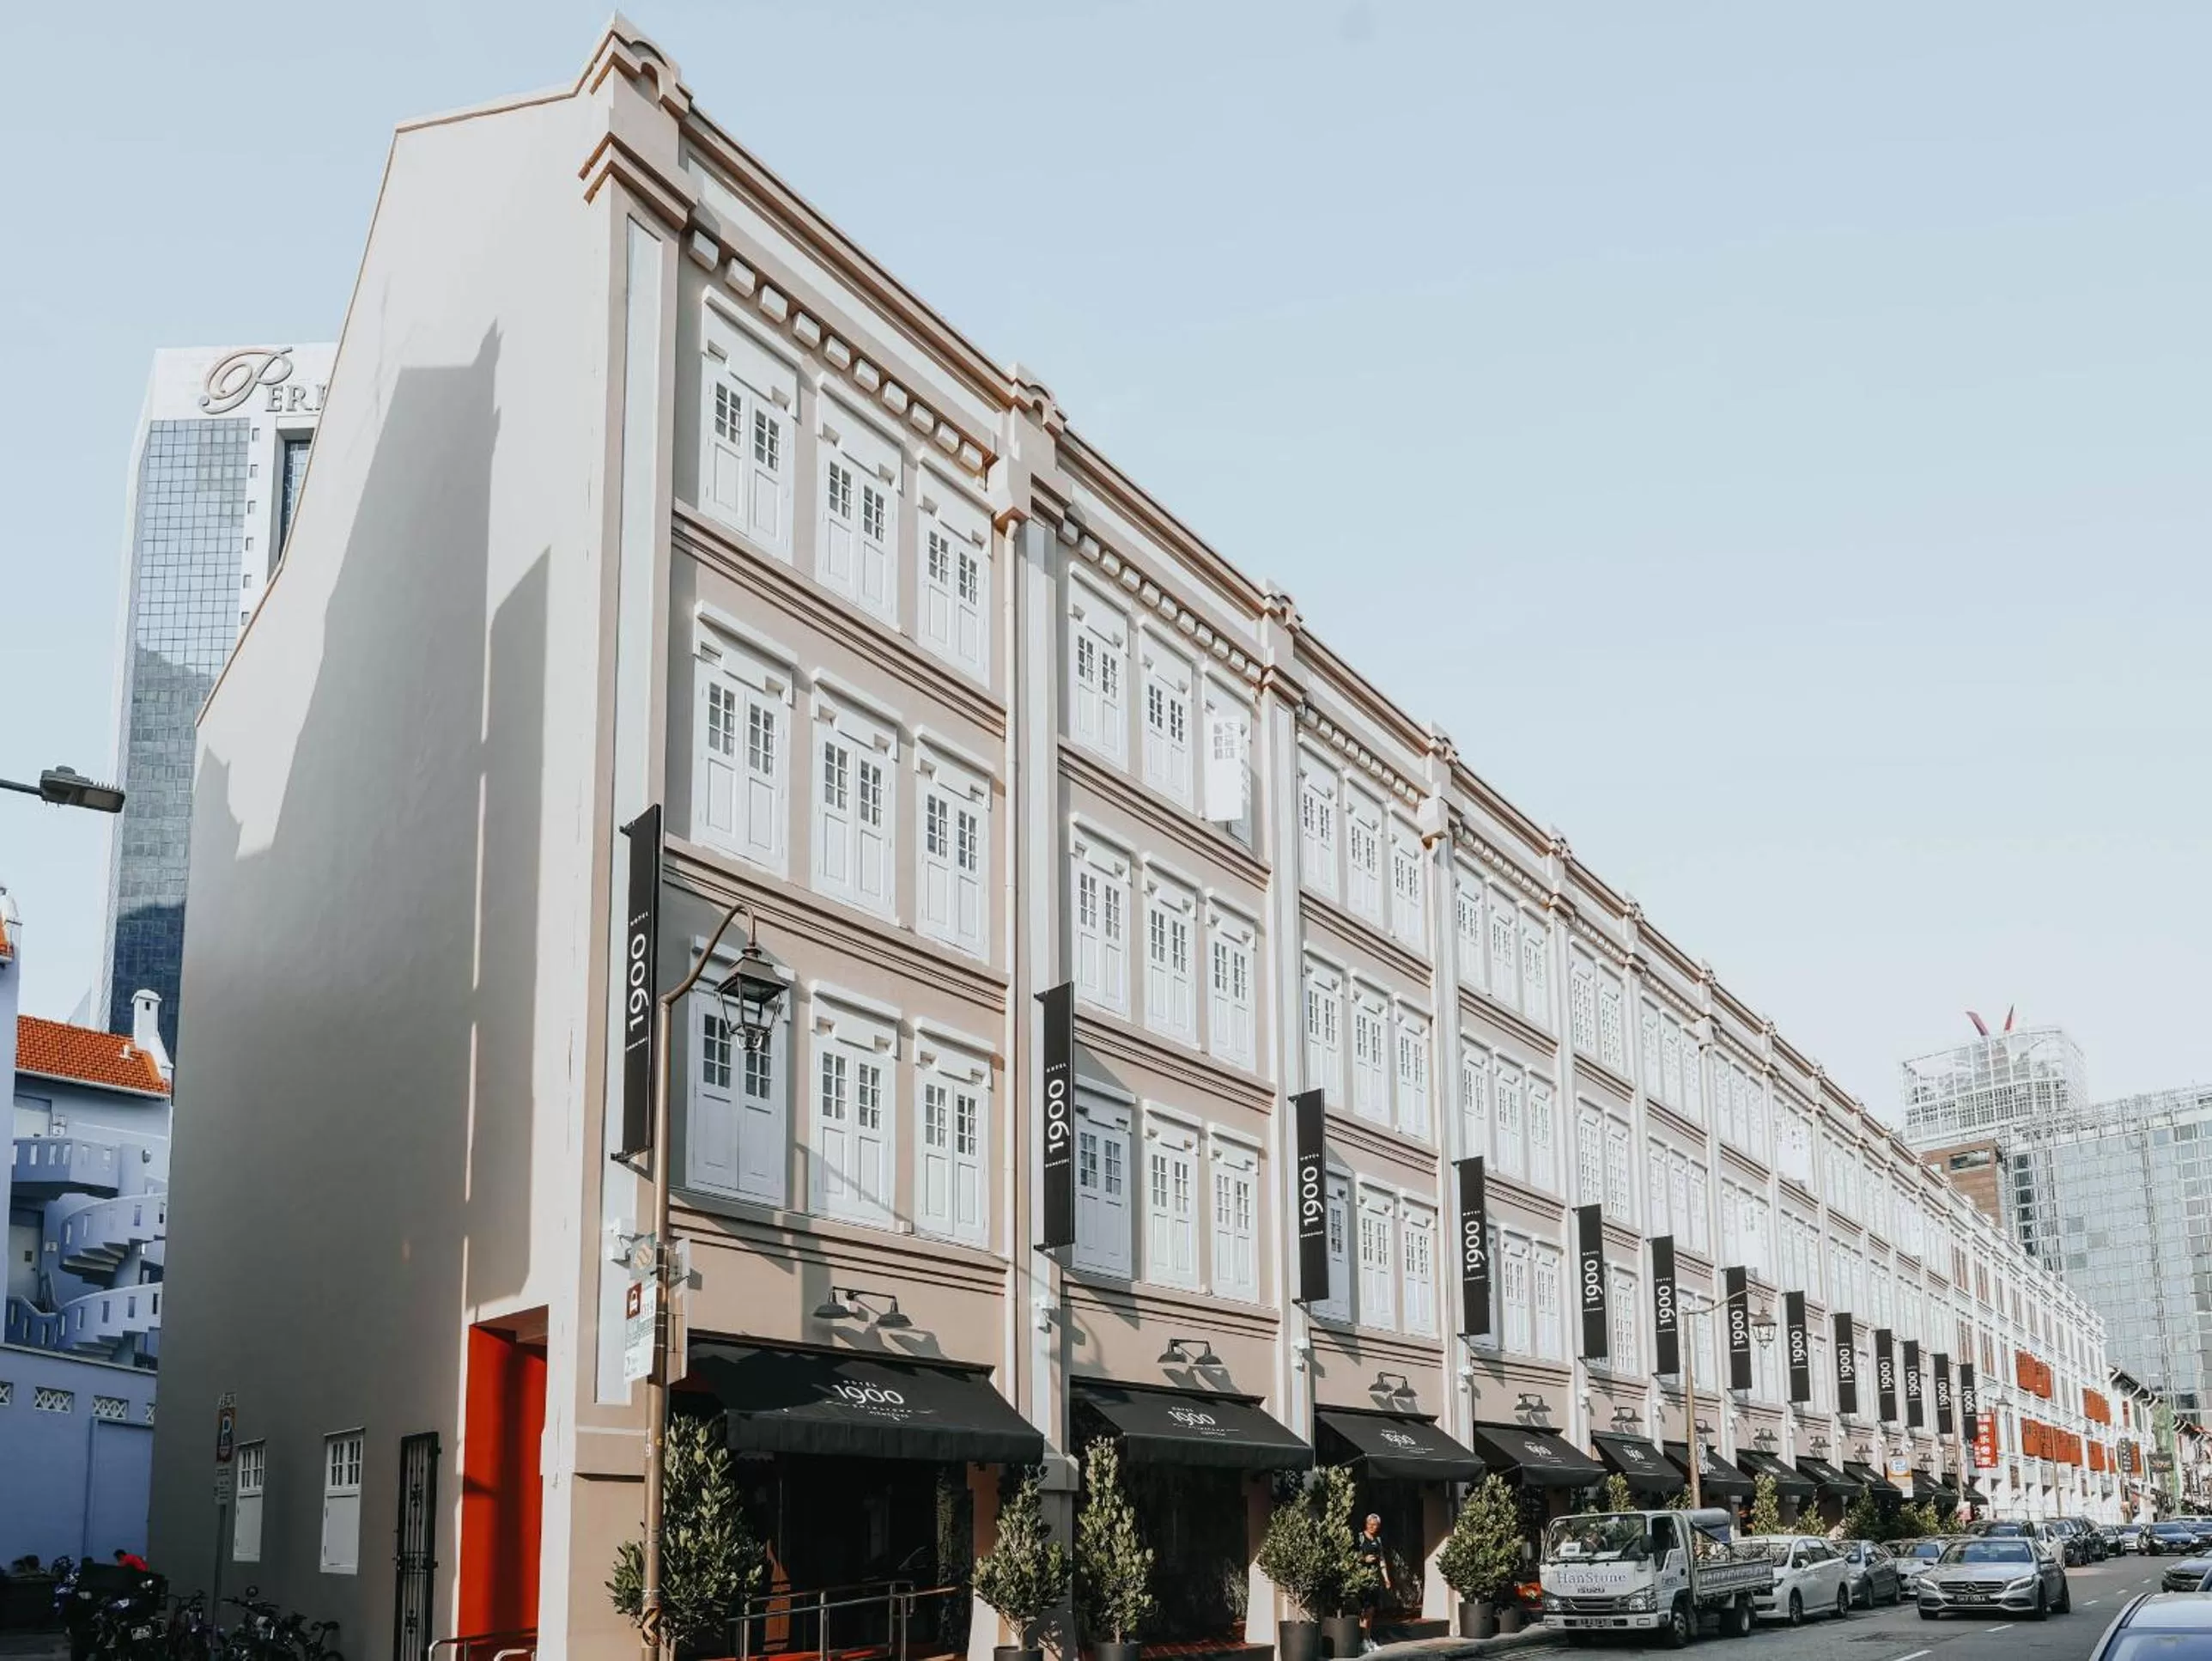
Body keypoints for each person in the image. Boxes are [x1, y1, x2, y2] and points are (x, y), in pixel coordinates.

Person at [1357, 1513, 1392, 1655]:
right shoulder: (1359, 1537)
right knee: (1364, 1611)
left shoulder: (1378, 1540)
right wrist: (1363, 1559)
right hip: (1362, 1578)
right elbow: (1351, 1556)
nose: (1372, 1527)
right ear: (1366, 1524)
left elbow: (1382, 1559)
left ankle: (1368, 1638)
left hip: (1374, 1579)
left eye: (1375, 1525)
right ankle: (1362, 1641)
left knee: (1371, 1611)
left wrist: (1386, 1578)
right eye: (1370, 1524)